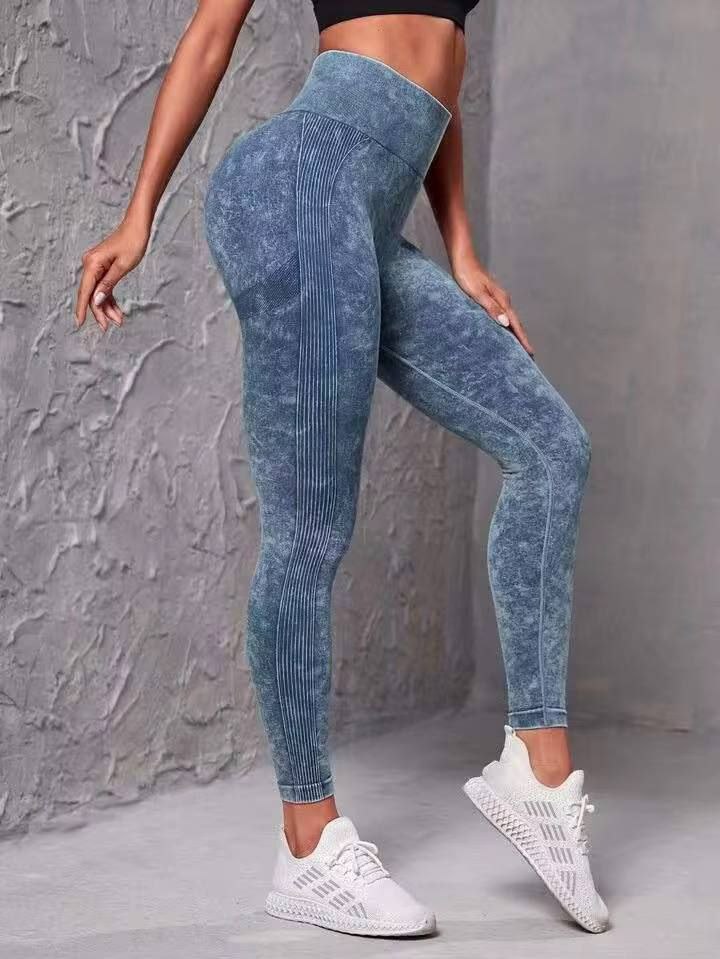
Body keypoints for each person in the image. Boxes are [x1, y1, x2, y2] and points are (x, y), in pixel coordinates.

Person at [74, 0, 609, 939]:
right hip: (299, 186)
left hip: (364, 213)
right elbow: (210, 33)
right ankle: (308, 841)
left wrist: (461, 247)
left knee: (552, 447)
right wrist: (137, 217)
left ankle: (537, 766)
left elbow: (442, 73)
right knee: (311, 528)